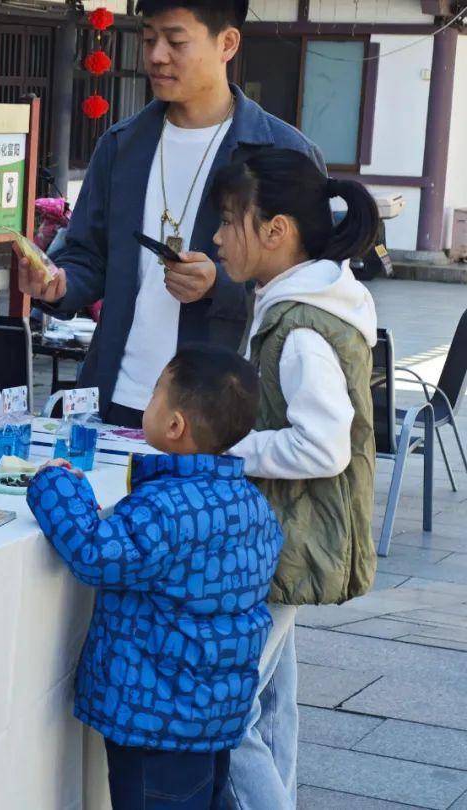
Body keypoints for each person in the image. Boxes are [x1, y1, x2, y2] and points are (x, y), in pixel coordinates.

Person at [18, 0, 324, 429]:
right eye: (148, 40)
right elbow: (88, 255)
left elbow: (312, 288)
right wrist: (59, 283)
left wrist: (219, 285)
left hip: (221, 412)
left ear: (227, 43)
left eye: (176, 42)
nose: (157, 56)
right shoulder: (121, 145)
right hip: (117, 398)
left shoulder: (281, 153)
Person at [27, 344, 285, 810]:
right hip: (213, 714)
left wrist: (55, 484)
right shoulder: (252, 503)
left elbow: (94, 553)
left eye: (154, 395)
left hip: (155, 719)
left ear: (174, 426)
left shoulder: (164, 508)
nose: (148, 402)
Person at [208, 149, 379, 808]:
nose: (218, 237)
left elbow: (322, 446)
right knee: (272, 698)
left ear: (275, 230)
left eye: (230, 220)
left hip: (288, 538)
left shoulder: (301, 327)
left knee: (225, 710)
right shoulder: (299, 300)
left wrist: (229, 449)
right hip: (288, 534)